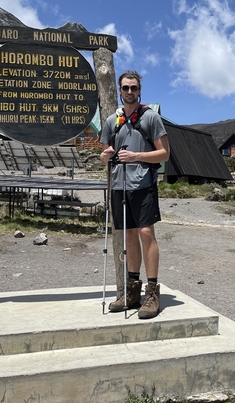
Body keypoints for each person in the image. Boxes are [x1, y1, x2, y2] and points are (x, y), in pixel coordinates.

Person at [100, 70, 170, 319]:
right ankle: (131, 292)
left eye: (134, 88)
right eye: (125, 88)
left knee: (146, 233)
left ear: (140, 91)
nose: (129, 92)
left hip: (143, 184)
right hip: (119, 185)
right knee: (129, 234)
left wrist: (137, 156)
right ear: (120, 91)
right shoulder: (112, 121)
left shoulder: (151, 118)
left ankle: (152, 293)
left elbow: (164, 154)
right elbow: (105, 151)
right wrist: (105, 156)